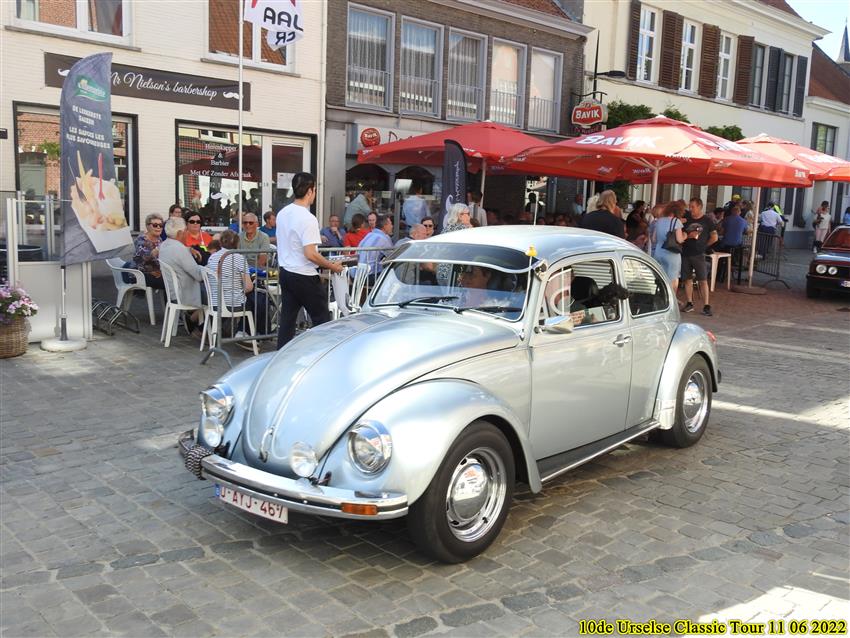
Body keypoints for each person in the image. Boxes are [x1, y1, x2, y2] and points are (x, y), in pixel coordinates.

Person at [276, 172, 344, 349]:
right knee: (322, 320)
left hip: (286, 272)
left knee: (287, 322)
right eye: (314, 190)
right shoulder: (308, 218)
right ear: (310, 191)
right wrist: (332, 267)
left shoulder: (283, 213)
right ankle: (322, 356)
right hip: (304, 275)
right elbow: (310, 254)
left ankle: (281, 356)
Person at [207, 230, 268, 341]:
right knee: (256, 300)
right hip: (232, 303)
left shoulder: (212, 257)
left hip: (214, 302)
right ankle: (246, 333)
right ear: (237, 243)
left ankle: (242, 331)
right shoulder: (239, 258)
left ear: (220, 243)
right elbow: (248, 287)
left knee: (251, 299)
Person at [158, 216, 206, 334]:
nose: (186, 233)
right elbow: (198, 275)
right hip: (185, 293)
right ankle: (201, 326)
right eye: (185, 231)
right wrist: (210, 269)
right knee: (218, 294)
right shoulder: (180, 250)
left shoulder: (163, 245)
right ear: (180, 233)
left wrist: (189, 249)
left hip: (173, 292)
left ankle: (195, 322)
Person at [680, 197, 718, 316]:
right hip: (685, 252)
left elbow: (714, 237)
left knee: (702, 279)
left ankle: (706, 305)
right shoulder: (687, 218)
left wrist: (704, 246)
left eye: (693, 207)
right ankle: (689, 303)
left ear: (700, 207)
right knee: (687, 279)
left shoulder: (707, 220)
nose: (691, 209)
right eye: (690, 206)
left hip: (699, 253)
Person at [650, 201, 685, 291]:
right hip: (672, 254)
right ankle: (671, 297)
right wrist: (685, 235)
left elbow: (653, 239)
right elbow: (679, 240)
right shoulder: (676, 221)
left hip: (658, 253)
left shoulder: (659, 221)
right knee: (673, 279)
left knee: (660, 278)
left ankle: (661, 295)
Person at [133, 214, 165, 289]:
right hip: (141, 274)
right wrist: (156, 251)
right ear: (147, 226)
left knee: (175, 278)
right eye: (155, 225)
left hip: (156, 272)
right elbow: (143, 259)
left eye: (161, 225)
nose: (158, 227)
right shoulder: (141, 240)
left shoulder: (159, 239)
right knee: (170, 282)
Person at [358, 214, 394, 281]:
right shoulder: (384, 238)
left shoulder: (369, 235)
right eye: (391, 224)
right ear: (385, 226)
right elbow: (392, 257)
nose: (392, 226)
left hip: (357, 274)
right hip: (369, 276)